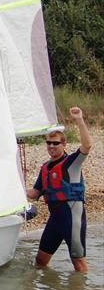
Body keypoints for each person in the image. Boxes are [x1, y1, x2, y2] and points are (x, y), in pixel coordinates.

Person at [26, 106, 92, 272]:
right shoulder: (45, 168)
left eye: (55, 143)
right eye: (49, 143)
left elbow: (87, 145)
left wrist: (79, 119)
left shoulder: (71, 162)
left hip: (72, 218)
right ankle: (49, 286)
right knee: (40, 261)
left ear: (64, 144)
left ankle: (81, 288)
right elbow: (34, 193)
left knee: (78, 263)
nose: (51, 146)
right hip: (55, 219)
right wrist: (15, 190)